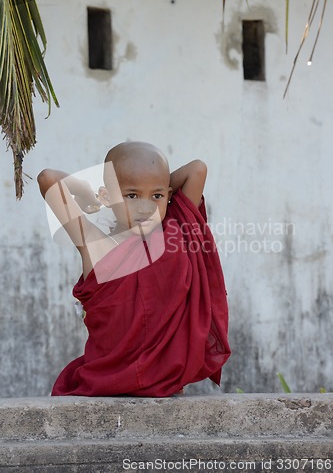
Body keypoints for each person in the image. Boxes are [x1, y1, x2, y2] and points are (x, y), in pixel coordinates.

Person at [38, 141, 230, 397]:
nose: (146, 207)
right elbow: (47, 178)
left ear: (169, 196)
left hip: (157, 382)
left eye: (156, 197)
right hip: (110, 383)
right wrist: (88, 192)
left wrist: (151, 187)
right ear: (106, 196)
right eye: (132, 195)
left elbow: (198, 169)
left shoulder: (174, 234)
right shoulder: (97, 245)